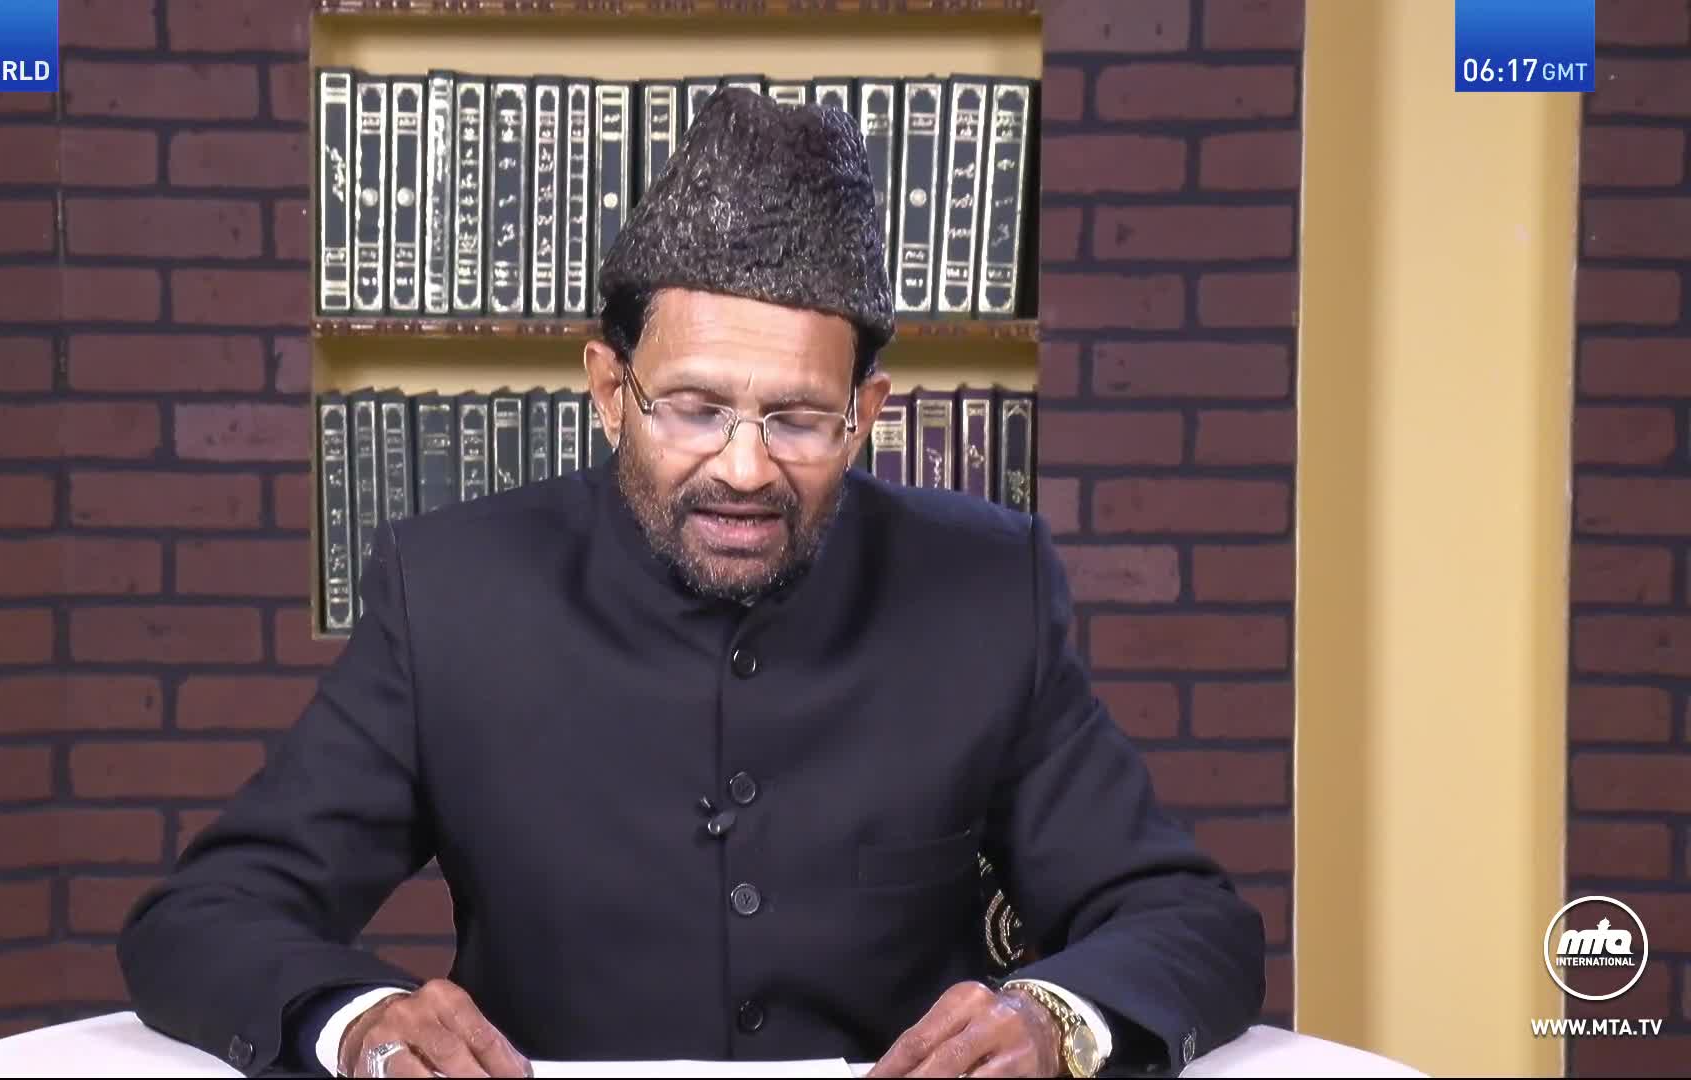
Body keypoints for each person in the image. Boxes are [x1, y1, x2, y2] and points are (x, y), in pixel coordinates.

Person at [118, 86, 1264, 1079]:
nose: (746, 467)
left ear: (866, 412)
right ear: (611, 388)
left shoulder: (986, 587)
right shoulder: (450, 593)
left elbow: (1189, 923)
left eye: (801, 419)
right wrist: (359, 1021)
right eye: (698, 408)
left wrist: (1056, 1018)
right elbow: (206, 917)